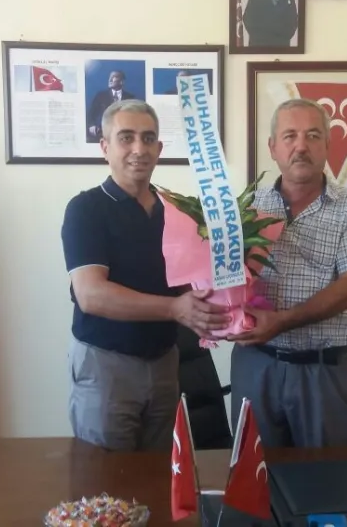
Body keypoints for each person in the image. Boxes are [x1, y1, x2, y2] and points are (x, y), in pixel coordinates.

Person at [62, 99, 230, 451]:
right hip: (107, 366)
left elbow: (187, 282)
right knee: (106, 477)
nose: (139, 149)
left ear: (159, 148)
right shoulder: (86, 209)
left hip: (166, 363)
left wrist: (220, 307)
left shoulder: (177, 210)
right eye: (126, 138)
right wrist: (176, 309)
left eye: (148, 138)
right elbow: (91, 295)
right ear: (105, 147)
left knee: (162, 474)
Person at [227, 98, 347, 448]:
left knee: (331, 476)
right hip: (256, 365)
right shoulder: (246, 207)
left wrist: (282, 321)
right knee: (254, 475)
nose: (301, 146)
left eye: (312, 136)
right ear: (272, 147)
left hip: (322, 372)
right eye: (290, 136)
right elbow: (226, 279)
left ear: (327, 145)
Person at [86, 70, 136, 143]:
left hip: (124, 134)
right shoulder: (100, 96)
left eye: (114, 77)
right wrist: (92, 125)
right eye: (110, 77)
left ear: (122, 81)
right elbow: (91, 114)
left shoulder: (130, 98)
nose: (110, 80)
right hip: (103, 133)